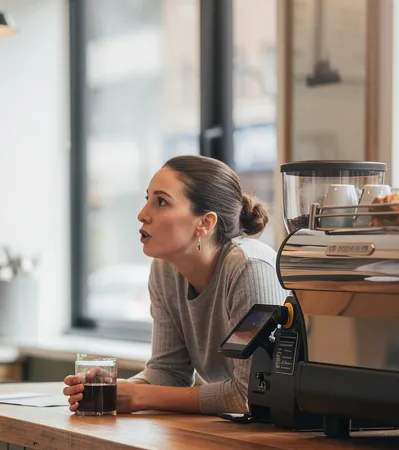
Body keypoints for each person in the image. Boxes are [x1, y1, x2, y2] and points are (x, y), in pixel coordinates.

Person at [65, 155, 286, 415]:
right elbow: (169, 372)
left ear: (205, 223)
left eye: (161, 202)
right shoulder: (164, 270)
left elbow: (251, 394)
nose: (142, 215)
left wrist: (140, 396)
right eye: (147, 200)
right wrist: (118, 388)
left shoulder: (250, 269)